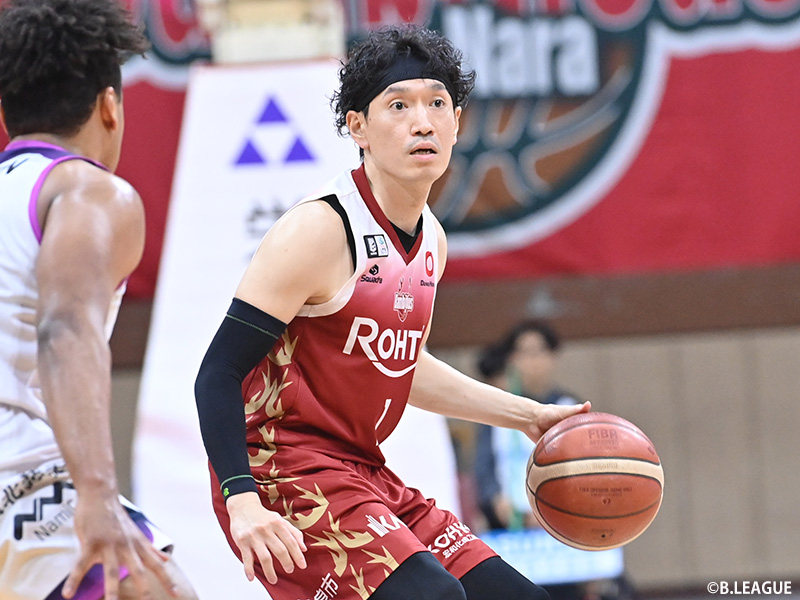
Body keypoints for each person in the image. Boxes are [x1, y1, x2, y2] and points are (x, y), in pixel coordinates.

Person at [194, 24, 590, 600]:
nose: (422, 122)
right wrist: (242, 500)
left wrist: (527, 415)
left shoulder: (431, 239)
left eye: (436, 104)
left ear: (457, 122)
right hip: (278, 469)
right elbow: (218, 373)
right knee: (434, 596)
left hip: (360, 470)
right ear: (357, 127)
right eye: (398, 105)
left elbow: (403, 367)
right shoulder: (320, 230)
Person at [0, 1, 198, 599]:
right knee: (158, 589)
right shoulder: (88, 191)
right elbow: (64, 327)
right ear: (110, 107)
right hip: (25, 481)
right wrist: (96, 492)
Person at [474, 320, 582, 532]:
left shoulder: (569, 406)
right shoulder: (499, 407)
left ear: (553, 356)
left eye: (539, 351)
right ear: (512, 359)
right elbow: (483, 464)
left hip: (560, 522)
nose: (533, 361)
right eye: (524, 352)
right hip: (509, 524)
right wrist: (495, 501)